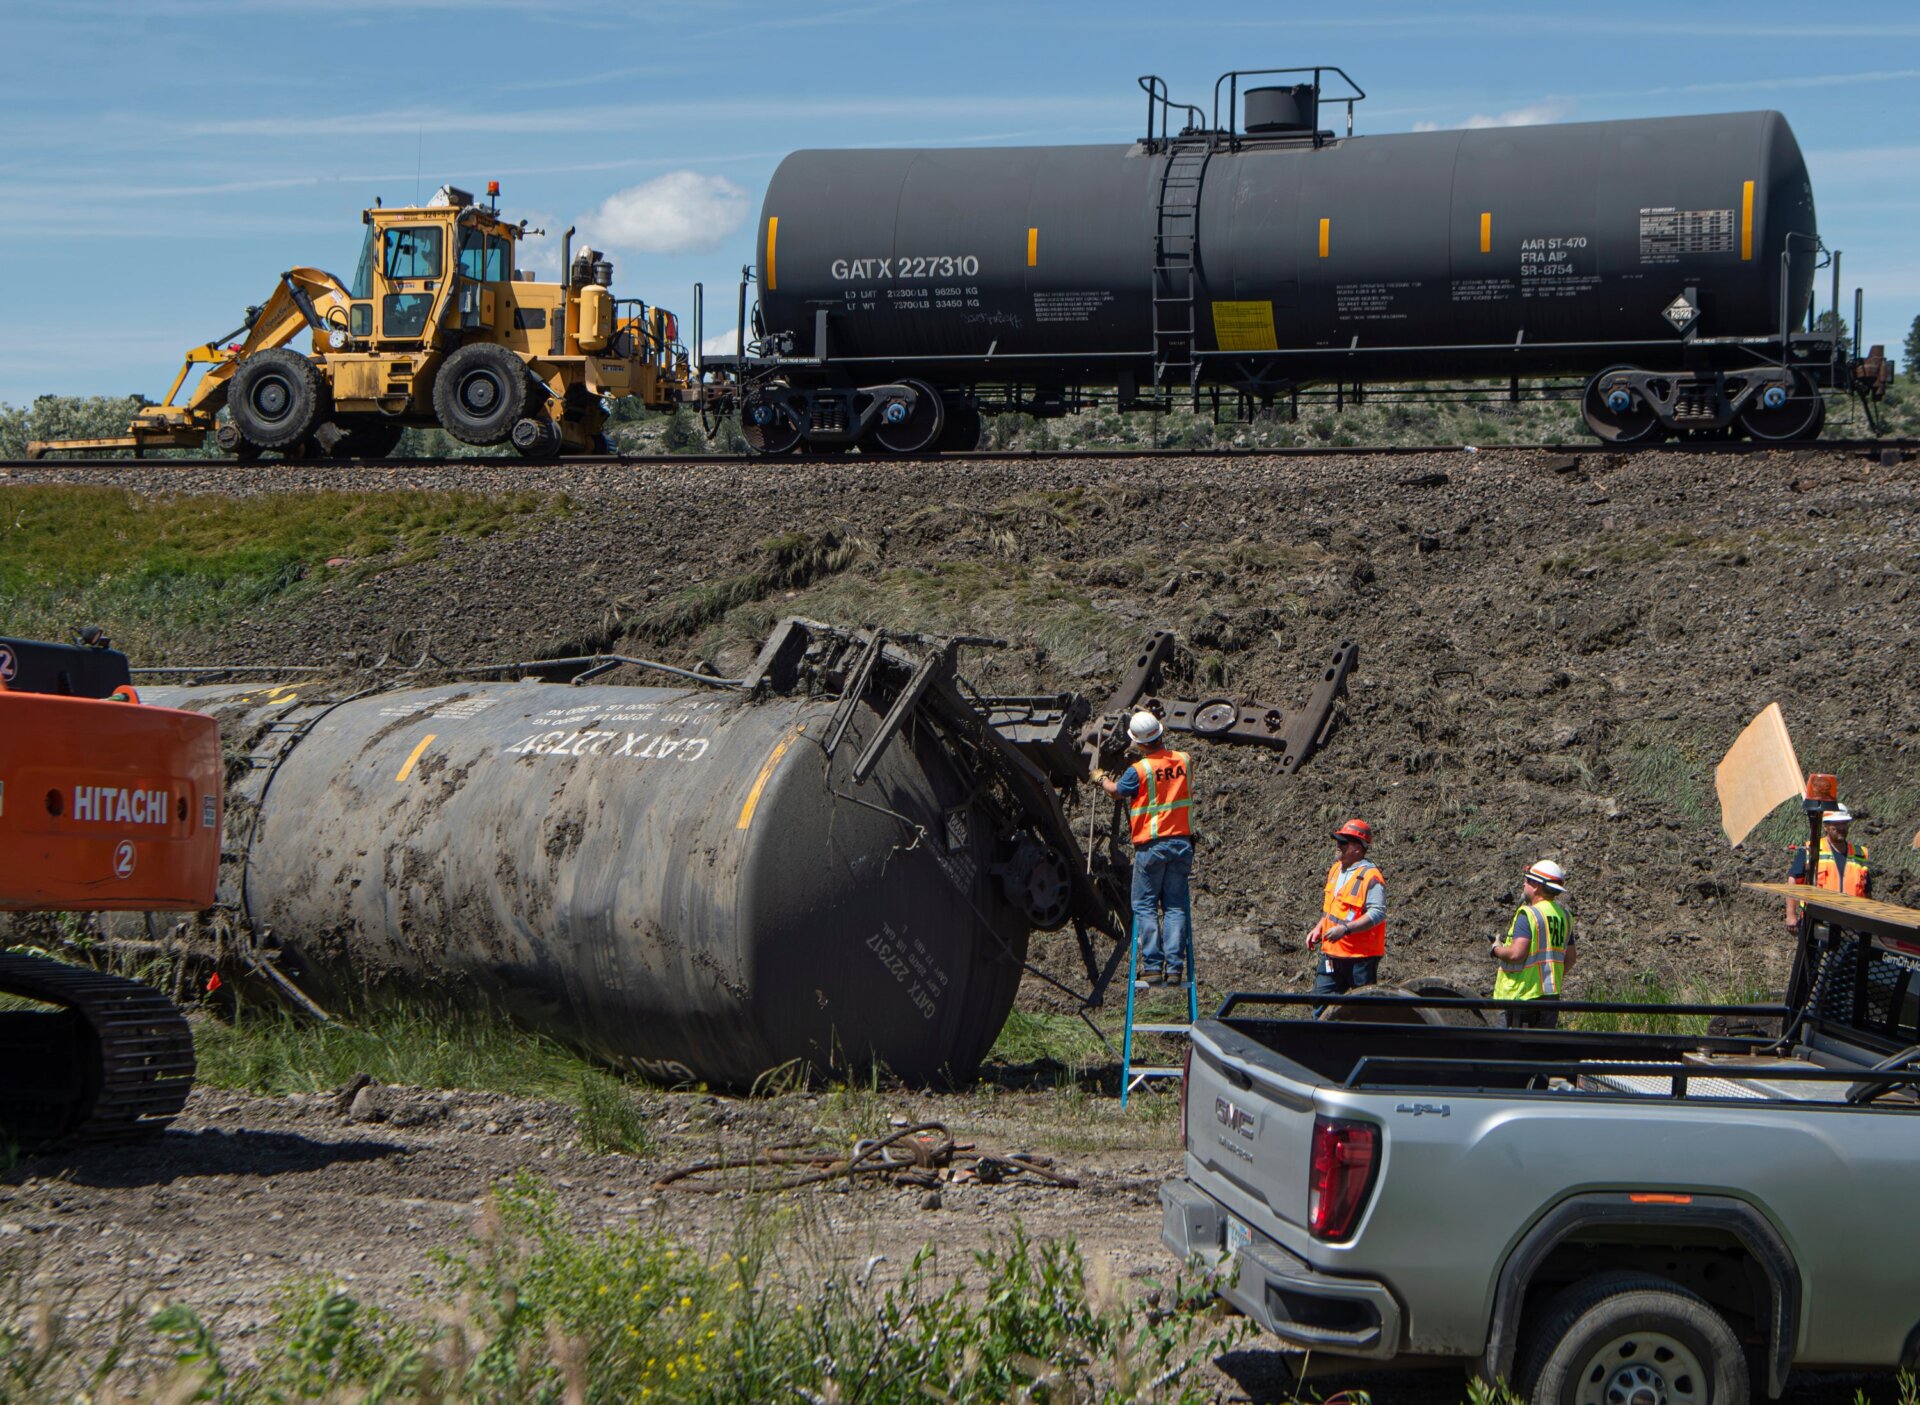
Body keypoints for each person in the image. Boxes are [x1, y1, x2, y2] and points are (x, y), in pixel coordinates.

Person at [1101, 710, 1193, 987]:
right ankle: (1175, 969)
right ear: (1161, 733)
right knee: (1175, 906)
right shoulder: (1184, 760)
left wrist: (1100, 779)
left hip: (1151, 846)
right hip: (1182, 844)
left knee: (1144, 905)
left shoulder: (1138, 770)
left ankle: (1153, 966)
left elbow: (1117, 791)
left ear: (1138, 743)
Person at [1307, 819, 1385, 1013]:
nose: (1338, 846)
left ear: (1358, 848)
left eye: (1343, 842)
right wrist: (1319, 927)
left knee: (1364, 1011)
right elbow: (1331, 909)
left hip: (1361, 958)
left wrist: (1346, 929)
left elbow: (1377, 913)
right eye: (1338, 841)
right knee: (1321, 1002)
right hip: (1332, 955)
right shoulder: (1335, 870)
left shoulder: (1371, 877)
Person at [1491, 859, 1573, 1029]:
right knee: (1541, 1051)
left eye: (1527, 880)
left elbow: (1516, 954)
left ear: (1537, 885)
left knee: (1507, 1051)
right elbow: (1570, 958)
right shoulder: (1564, 916)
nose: (1524, 883)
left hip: (1520, 998)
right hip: (1550, 998)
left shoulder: (1529, 914)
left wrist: (1496, 948)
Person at [1785, 804, 1870, 928]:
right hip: (1817, 920)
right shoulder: (1811, 849)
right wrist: (1791, 915)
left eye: (1844, 823)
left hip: (1852, 923)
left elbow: (1867, 891)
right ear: (1825, 826)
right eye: (1836, 824)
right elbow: (1793, 882)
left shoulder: (1860, 854)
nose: (1841, 827)